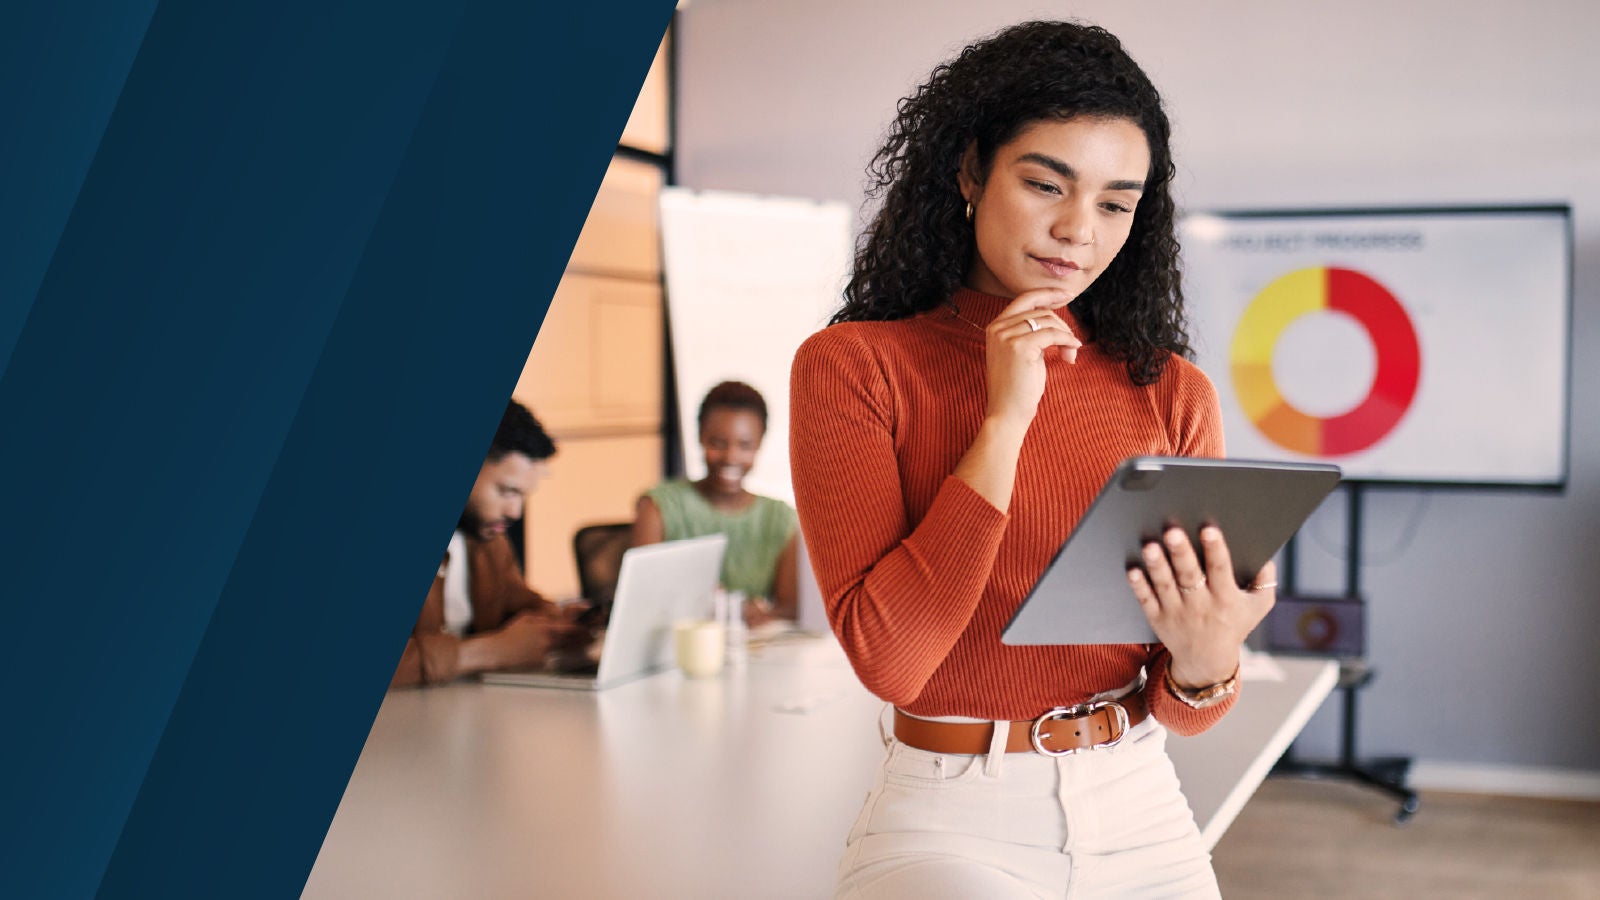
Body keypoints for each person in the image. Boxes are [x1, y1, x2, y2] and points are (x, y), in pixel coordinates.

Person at [789, 21, 1277, 898]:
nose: (1075, 231)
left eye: (1115, 203)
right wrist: (1004, 421)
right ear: (971, 172)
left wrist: (1211, 659)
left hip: (1139, 803)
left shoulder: (1173, 393)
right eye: (1045, 183)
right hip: (949, 814)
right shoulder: (856, 367)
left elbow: (1186, 707)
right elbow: (892, 663)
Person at [390, 400, 586, 688]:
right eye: (506, 491)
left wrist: (558, 621)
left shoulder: (488, 540)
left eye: (522, 496)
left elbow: (515, 603)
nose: (515, 512)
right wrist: (488, 652)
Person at [630, 380, 799, 626]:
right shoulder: (658, 507)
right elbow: (640, 600)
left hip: (756, 653)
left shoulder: (780, 518)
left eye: (745, 445)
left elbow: (789, 609)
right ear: (700, 438)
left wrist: (757, 614)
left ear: (760, 444)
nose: (731, 456)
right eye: (718, 443)